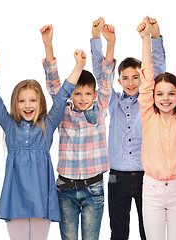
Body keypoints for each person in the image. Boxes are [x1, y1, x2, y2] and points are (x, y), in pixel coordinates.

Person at [0, 45, 84, 240]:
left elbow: (64, 94)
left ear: (40, 102)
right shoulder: (9, 125)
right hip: (15, 199)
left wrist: (79, 66)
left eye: (32, 100)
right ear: (15, 103)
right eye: (22, 101)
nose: (28, 105)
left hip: (41, 199)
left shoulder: (47, 124)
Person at [90, 16, 166, 240]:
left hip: (147, 177)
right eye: (125, 78)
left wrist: (155, 36)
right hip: (118, 178)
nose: (131, 82)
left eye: (136, 77)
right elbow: (100, 76)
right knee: (119, 232)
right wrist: (96, 38)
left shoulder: (150, 100)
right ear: (119, 80)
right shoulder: (112, 101)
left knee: (148, 232)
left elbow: (158, 70)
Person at [41, 23, 116, 240]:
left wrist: (110, 43)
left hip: (94, 189)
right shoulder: (63, 112)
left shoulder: (100, 108)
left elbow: (107, 79)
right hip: (65, 189)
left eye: (87, 93)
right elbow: (55, 85)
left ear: (94, 94)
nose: (83, 98)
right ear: (71, 95)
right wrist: (48, 44)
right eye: (77, 93)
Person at [138, 18, 176, 240]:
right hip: (151, 190)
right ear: (153, 96)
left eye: (171, 93)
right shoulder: (148, 115)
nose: (165, 98)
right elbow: (146, 78)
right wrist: (145, 39)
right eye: (160, 94)